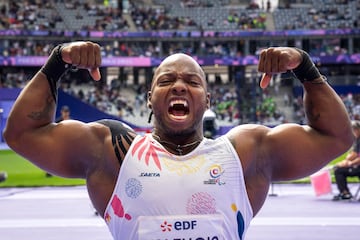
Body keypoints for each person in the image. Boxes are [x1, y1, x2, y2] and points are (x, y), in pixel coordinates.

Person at [3, 41, 353, 239]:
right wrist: (56, 62)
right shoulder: (112, 151)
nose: (180, 85)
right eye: (167, 79)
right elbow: (21, 134)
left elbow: (337, 137)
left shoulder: (245, 153)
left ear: (208, 100)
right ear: (150, 98)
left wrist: (306, 68)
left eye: (193, 81)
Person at [332, 120, 360, 201]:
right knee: (339, 167)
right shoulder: (358, 140)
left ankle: (345, 193)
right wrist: (345, 162)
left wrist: (350, 163)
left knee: (338, 170)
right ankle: (345, 192)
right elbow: (354, 153)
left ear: (357, 129)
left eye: (353, 130)